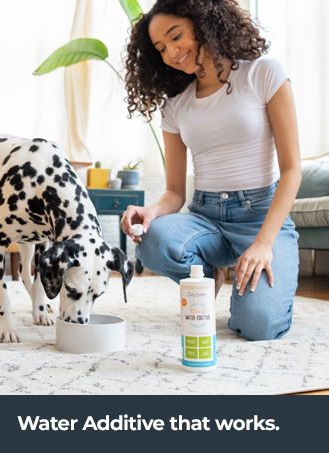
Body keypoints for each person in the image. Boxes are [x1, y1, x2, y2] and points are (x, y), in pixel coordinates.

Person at [120, 0, 301, 341]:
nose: (172, 53)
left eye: (177, 36)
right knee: (151, 240)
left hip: (261, 219)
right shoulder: (176, 105)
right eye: (161, 48)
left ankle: (264, 291)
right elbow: (175, 192)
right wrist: (151, 211)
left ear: (203, 23)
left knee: (257, 325)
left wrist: (264, 243)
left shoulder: (264, 73)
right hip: (206, 218)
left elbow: (292, 170)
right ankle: (209, 276)